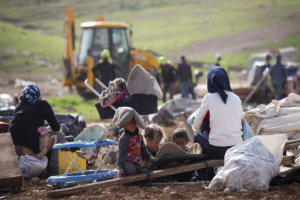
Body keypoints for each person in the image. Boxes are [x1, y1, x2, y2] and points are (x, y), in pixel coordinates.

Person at [8, 83, 65, 176]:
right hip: (27, 150)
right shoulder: (43, 104)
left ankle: (43, 171)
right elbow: (56, 127)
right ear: (37, 93)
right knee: (60, 136)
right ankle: (53, 170)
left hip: (13, 151)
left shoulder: (19, 106)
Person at [192, 66, 243, 159]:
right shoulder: (236, 98)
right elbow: (240, 122)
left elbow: (196, 125)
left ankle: (202, 172)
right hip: (237, 148)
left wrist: (206, 131)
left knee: (196, 137)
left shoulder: (209, 98)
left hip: (216, 150)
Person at [112, 107, 155, 177]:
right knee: (131, 171)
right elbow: (121, 153)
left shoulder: (139, 135)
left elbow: (143, 148)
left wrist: (149, 157)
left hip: (137, 162)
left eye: (133, 122)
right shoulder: (124, 138)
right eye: (128, 123)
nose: (132, 125)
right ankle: (126, 176)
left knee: (146, 169)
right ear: (123, 125)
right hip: (128, 163)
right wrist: (121, 167)